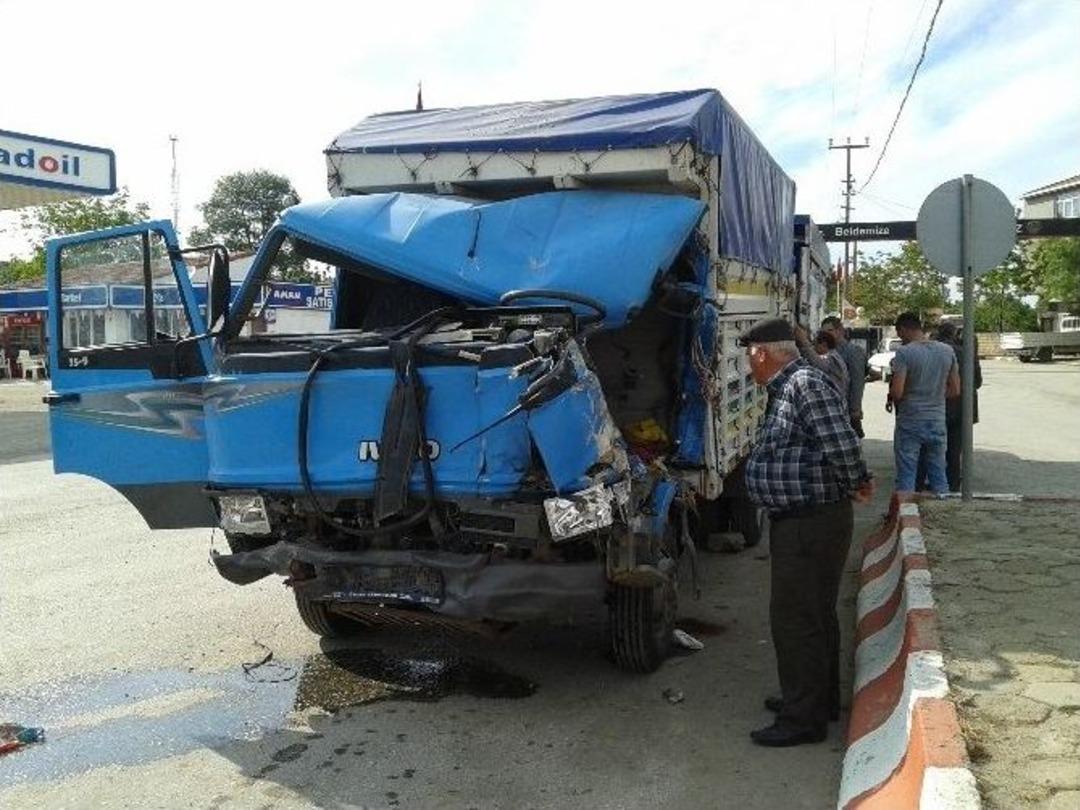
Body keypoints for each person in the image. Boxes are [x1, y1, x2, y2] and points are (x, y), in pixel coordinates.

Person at [738, 318, 875, 747]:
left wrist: (857, 480)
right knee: (814, 615)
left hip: (810, 522)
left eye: (749, 357)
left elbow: (842, 442)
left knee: (796, 619)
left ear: (762, 353)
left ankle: (803, 718)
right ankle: (817, 700)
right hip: (803, 520)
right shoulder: (790, 386)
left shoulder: (804, 384)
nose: (748, 365)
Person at [887, 312, 960, 494]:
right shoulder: (947, 351)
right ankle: (943, 506)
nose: (900, 338)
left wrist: (899, 396)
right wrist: (934, 396)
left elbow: (897, 392)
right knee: (938, 472)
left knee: (907, 473)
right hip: (937, 419)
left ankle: (906, 508)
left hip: (910, 420)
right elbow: (955, 390)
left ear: (904, 329)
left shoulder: (904, 353)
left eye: (899, 333)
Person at [915, 322, 982, 491]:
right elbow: (978, 381)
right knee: (954, 449)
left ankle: (928, 483)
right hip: (963, 409)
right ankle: (953, 484)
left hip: (938, 406)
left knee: (930, 447)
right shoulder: (966, 353)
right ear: (954, 334)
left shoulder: (933, 352)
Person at [820, 316, 868, 438]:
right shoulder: (826, 351)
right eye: (824, 332)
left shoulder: (853, 351)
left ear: (840, 331)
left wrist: (855, 409)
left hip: (846, 407)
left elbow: (857, 382)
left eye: (830, 330)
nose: (826, 334)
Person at [793, 324, 849, 397]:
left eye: (815, 345)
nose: (813, 348)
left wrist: (804, 341)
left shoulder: (832, 358)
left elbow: (818, 363)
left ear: (824, 345)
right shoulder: (834, 355)